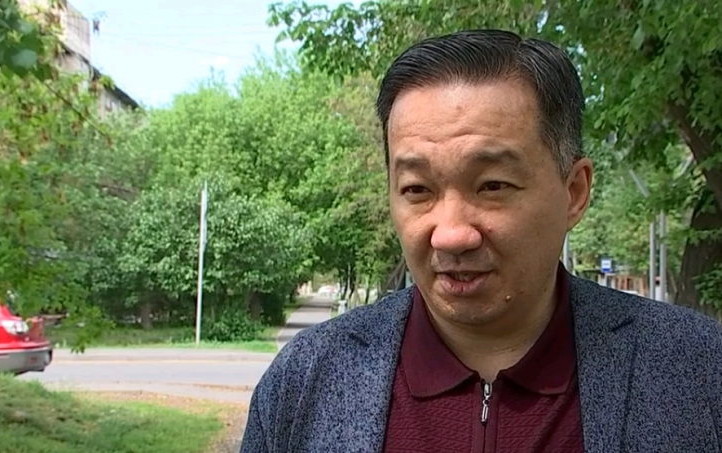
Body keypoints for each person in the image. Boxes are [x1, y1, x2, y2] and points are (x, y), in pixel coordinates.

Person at [240, 29, 722, 453]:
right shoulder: (307, 380)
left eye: (492, 185)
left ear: (574, 192)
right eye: (417, 190)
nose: (451, 234)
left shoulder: (697, 372)